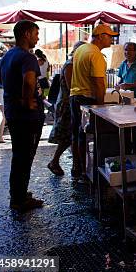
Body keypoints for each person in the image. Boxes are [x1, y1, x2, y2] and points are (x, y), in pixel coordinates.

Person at [0, 20, 45, 212]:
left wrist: (10, 85)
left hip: (13, 112)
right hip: (26, 116)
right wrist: (27, 100)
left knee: (19, 155)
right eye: (36, 33)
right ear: (27, 34)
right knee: (25, 156)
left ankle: (19, 193)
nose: (38, 37)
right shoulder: (27, 57)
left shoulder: (9, 54)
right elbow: (29, 81)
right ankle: (19, 200)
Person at [70, 24, 117, 180]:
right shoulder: (95, 54)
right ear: (101, 36)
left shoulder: (81, 49)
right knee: (89, 136)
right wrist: (101, 107)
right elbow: (98, 83)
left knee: (79, 134)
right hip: (87, 99)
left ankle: (78, 168)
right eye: (109, 36)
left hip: (75, 96)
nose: (112, 39)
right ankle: (88, 171)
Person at [47, 41, 86, 177]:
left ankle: (74, 164)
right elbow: (71, 88)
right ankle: (56, 162)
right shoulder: (70, 65)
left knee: (71, 135)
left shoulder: (75, 64)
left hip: (69, 103)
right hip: (66, 104)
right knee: (67, 136)